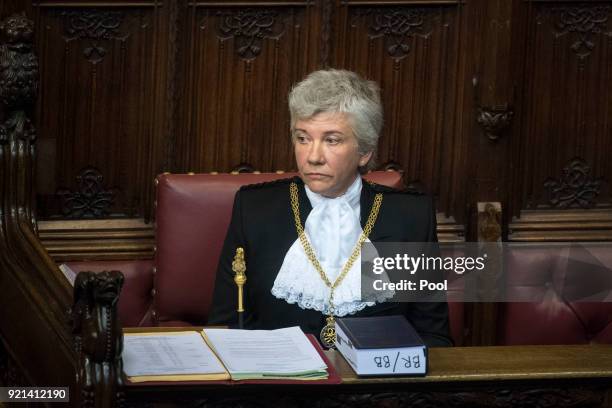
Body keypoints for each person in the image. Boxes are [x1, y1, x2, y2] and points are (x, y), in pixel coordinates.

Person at [208, 69, 452, 347]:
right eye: (303, 138)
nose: (313, 157)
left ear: (365, 152)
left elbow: (434, 337)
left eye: (331, 140)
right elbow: (225, 324)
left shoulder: (410, 218)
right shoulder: (254, 209)